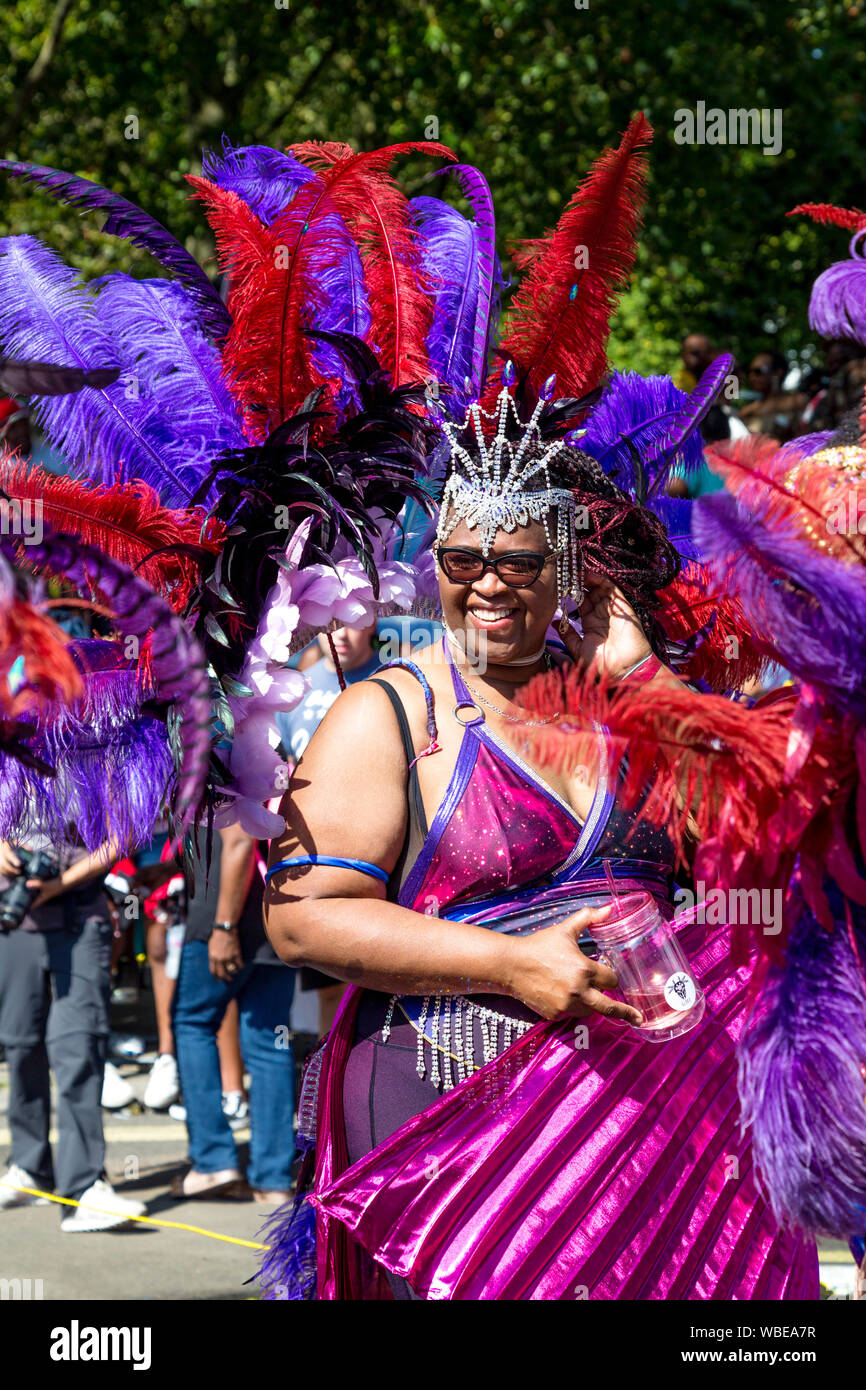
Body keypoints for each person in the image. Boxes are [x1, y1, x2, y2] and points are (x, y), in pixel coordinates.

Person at [260, 373, 818, 1300]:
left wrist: (648, 681)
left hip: (655, 1112)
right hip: (457, 1112)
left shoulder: (623, 701)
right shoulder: (387, 715)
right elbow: (304, 919)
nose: (484, 583)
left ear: (565, 566)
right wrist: (513, 964)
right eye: (460, 557)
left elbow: (760, 830)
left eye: (515, 562)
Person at [0, 835, 147, 1231]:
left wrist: (61, 884)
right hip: (13, 918)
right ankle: (30, 1169)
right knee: (20, 1044)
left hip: (80, 917)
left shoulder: (102, 767)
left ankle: (82, 1187)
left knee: (78, 1047)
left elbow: (122, 833)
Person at [170, 824, 295, 1202]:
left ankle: (212, 1162)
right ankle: (272, 1178)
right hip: (273, 916)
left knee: (194, 1025)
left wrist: (223, 927)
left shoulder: (219, 761)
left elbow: (239, 838)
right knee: (269, 1045)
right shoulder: (278, 762)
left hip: (224, 919)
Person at [275, 624, 381, 1034]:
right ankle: (329, 1081)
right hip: (314, 865)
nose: (341, 633)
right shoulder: (290, 691)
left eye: (353, 618)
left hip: (385, 861)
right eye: (330, 621)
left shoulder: (399, 677)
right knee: (330, 992)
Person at [739, 349, 806, 440]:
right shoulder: (747, 411)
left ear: (778, 373)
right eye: (749, 372)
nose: (752, 376)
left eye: (758, 371)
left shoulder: (796, 402)